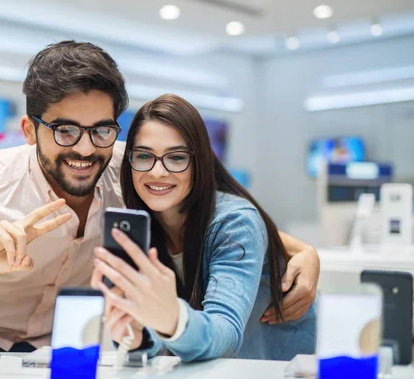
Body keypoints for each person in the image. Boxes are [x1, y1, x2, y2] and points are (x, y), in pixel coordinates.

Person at [0, 41, 319, 352]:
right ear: (30, 129)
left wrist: (304, 252)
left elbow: (213, 210)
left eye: (101, 130)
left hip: (70, 345)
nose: (85, 148)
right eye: (66, 130)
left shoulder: (127, 169)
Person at [91, 94, 316, 362]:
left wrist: (171, 318)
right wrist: (137, 335)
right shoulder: (142, 225)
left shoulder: (235, 222)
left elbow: (225, 332)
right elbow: (157, 340)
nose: (157, 172)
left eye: (176, 158)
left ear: (199, 163)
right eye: (144, 156)